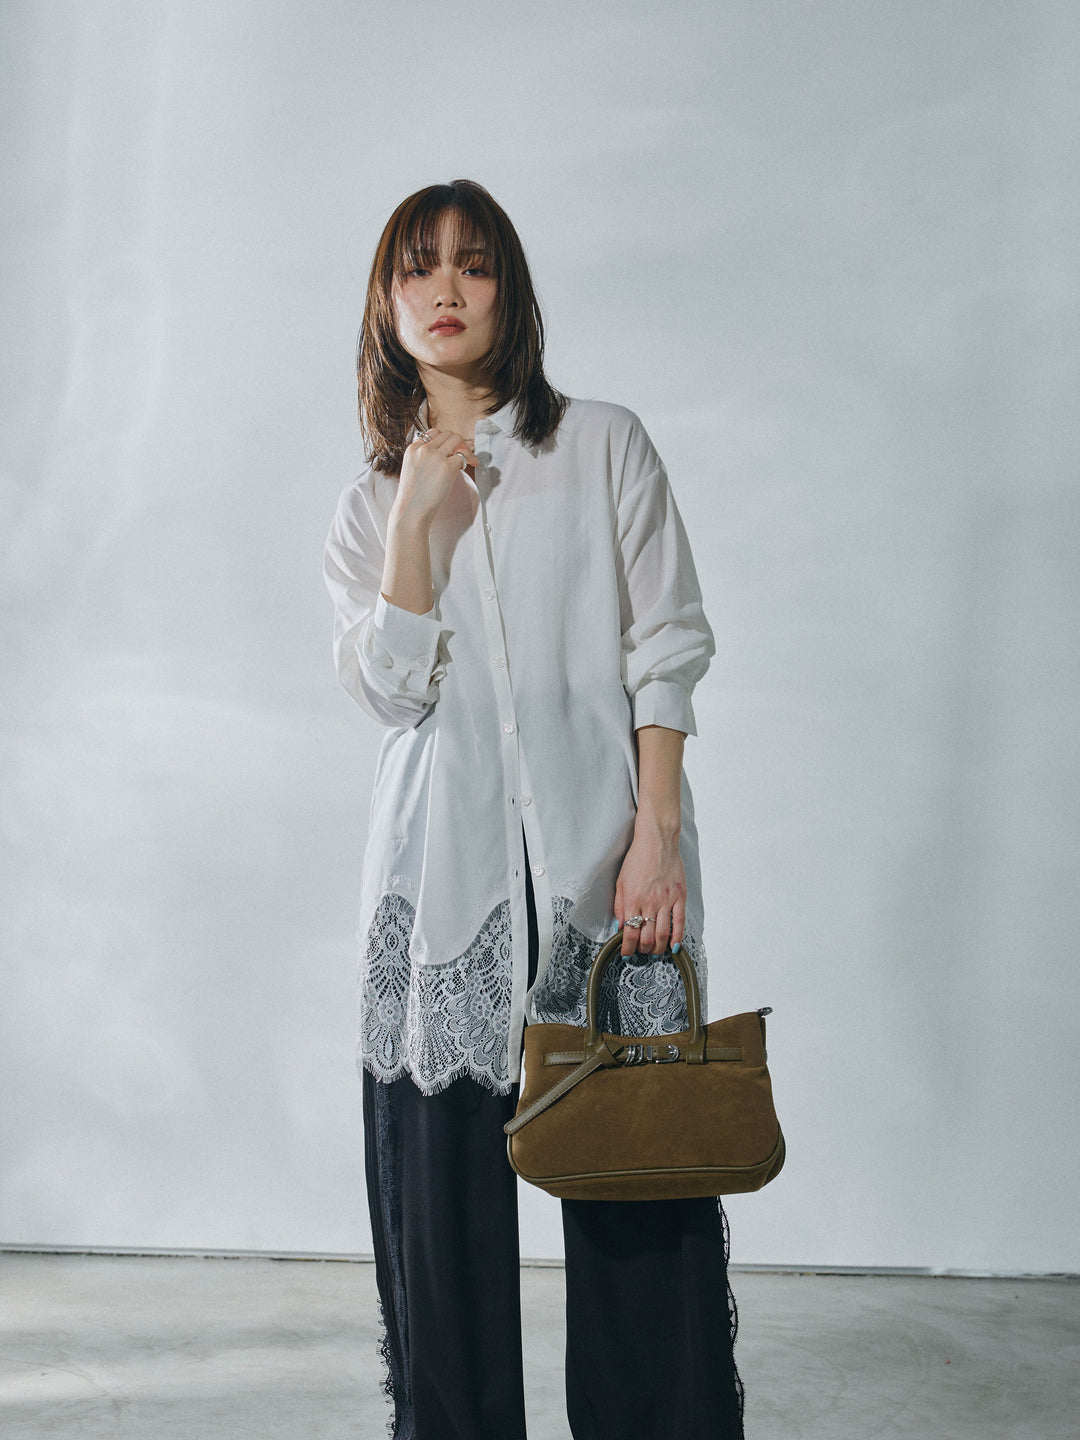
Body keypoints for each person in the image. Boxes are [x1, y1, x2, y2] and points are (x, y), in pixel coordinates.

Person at [324, 179, 744, 1440]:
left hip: (606, 873)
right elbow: (390, 694)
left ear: (510, 290)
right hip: (440, 888)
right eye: (417, 267)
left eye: (473, 264)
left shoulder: (605, 445)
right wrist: (416, 522)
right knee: (443, 1224)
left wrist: (655, 835)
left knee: (638, 1180)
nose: (444, 289)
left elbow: (665, 648)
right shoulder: (367, 506)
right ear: (386, 303)